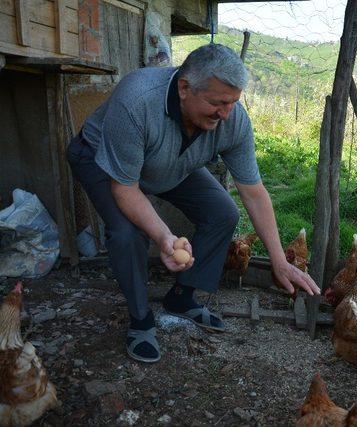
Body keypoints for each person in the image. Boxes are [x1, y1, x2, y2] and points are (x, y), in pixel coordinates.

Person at [66, 43, 320, 363]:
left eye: (233, 103)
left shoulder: (232, 118)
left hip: (167, 162)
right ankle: (141, 319)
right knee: (128, 233)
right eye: (217, 103)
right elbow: (127, 189)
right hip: (105, 161)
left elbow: (253, 191)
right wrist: (165, 238)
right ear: (184, 88)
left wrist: (278, 260)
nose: (226, 114)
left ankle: (182, 298)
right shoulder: (137, 100)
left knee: (222, 212)